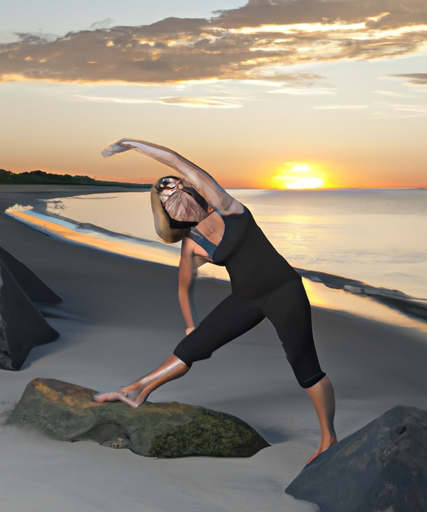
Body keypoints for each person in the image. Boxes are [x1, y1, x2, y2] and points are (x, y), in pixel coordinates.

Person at [93, 138, 337, 462]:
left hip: (284, 291)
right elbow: (183, 288)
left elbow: (176, 160)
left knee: (304, 365)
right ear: (167, 211)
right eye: (166, 194)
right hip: (246, 299)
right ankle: (135, 391)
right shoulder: (192, 245)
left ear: (191, 188)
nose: (173, 191)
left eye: (176, 185)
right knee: (190, 349)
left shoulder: (226, 206)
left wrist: (132, 144)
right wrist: (192, 326)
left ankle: (329, 438)